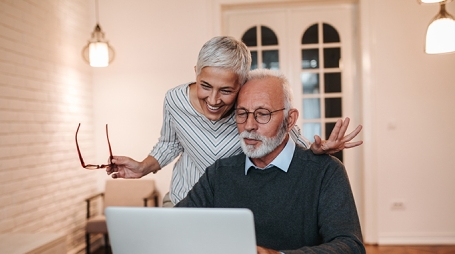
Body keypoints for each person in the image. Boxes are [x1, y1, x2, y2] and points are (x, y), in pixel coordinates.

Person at [107, 36, 362, 207]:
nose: (214, 100)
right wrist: (142, 167)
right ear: (196, 71)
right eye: (205, 86)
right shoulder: (175, 99)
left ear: (242, 84)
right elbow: (169, 144)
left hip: (233, 204)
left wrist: (315, 150)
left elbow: (285, 131)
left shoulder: (247, 106)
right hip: (183, 199)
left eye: (226, 91)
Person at [176, 69, 365, 254]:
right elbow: (173, 227)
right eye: (242, 113)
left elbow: (351, 252)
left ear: (290, 119)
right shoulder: (220, 173)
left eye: (262, 114)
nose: (249, 126)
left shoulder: (325, 171)